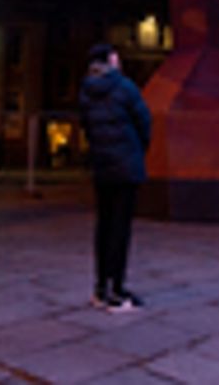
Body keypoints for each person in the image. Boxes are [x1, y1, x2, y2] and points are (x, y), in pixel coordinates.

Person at [79, 43, 151, 312]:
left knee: (104, 227)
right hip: (126, 165)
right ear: (110, 60)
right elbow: (144, 121)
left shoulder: (86, 91)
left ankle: (100, 288)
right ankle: (117, 292)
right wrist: (136, 151)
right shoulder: (125, 87)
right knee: (121, 230)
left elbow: (86, 127)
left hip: (102, 165)